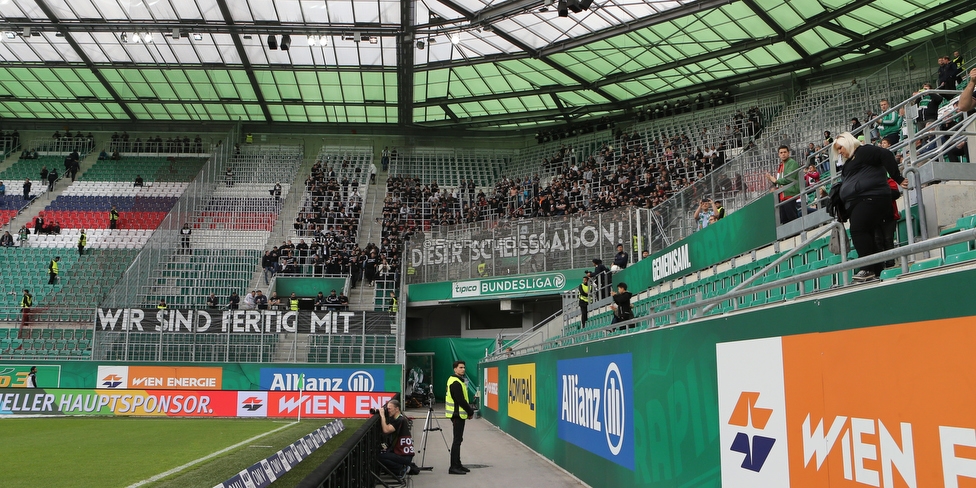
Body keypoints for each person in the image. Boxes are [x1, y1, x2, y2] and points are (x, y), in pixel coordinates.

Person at [831, 132, 908, 282]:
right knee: (870, 235)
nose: (840, 152)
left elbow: (885, 154)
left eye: (841, 148)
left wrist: (897, 177)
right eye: (838, 149)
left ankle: (867, 267)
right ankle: (877, 270)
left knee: (858, 230)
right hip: (858, 202)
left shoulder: (864, 151)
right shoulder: (849, 162)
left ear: (848, 143)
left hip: (872, 198)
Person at [378, 399, 421, 476]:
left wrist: (382, 416)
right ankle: (404, 467)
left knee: (379, 457)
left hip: (403, 456)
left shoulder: (399, 420)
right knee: (383, 453)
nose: (388, 411)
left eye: (389, 409)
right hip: (405, 454)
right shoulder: (401, 418)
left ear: (397, 409)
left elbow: (386, 430)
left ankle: (401, 469)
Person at [446, 360, 474, 475]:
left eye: (464, 367)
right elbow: (460, 400)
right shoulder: (456, 382)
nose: (463, 369)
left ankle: (457, 464)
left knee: (458, 440)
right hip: (457, 415)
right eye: (460, 367)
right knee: (457, 441)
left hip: (459, 415)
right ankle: (453, 466)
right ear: (455, 369)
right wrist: (470, 411)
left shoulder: (457, 381)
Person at [766, 145, 800, 224]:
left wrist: (776, 181)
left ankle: (796, 234)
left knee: (792, 217)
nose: (783, 154)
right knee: (784, 219)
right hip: (782, 195)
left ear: (789, 153)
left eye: (785, 152)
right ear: (778, 154)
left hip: (789, 194)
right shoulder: (781, 165)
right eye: (781, 152)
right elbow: (779, 182)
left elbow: (789, 178)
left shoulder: (792, 163)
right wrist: (772, 179)